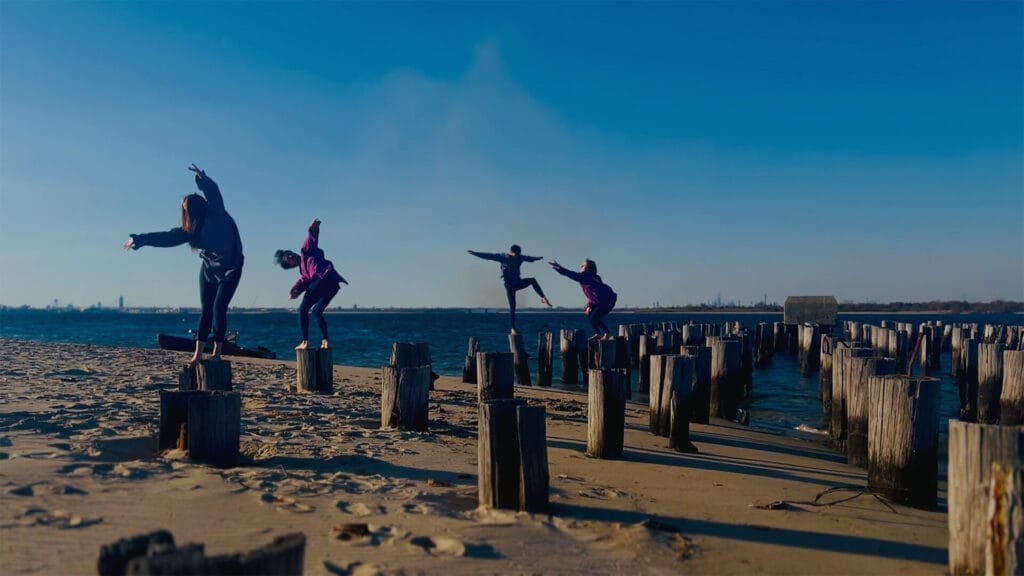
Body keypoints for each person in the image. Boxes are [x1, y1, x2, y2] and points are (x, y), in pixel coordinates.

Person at [124, 164, 244, 365]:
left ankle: (217, 353)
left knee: (218, 309)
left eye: (184, 209)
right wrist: (141, 240)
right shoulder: (190, 231)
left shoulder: (216, 212)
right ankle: (197, 354)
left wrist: (202, 180)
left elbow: (214, 193)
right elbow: (167, 237)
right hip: (209, 268)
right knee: (206, 309)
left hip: (231, 267)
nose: (183, 212)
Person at [274, 218, 348, 350]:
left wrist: (313, 228)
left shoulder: (305, 251)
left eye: (290, 254)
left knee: (303, 309)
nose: (291, 257)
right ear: (290, 266)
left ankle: (305, 341)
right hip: (329, 285)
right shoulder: (303, 271)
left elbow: (311, 238)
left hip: (326, 279)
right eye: (288, 259)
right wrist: (295, 290)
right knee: (316, 312)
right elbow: (304, 280)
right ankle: (324, 341)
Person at [467, 244, 551, 334]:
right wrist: (475, 253)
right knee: (512, 306)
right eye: (515, 256)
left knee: (532, 280)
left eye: (518, 255)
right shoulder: (503, 257)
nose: (517, 258)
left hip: (518, 283)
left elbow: (530, 259)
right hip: (509, 286)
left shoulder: (520, 257)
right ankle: (513, 328)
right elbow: (489, 256)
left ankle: (543, 297)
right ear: (511, 253)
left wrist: (537, 258)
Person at [549, 258, 617, 337]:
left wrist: (559, 268)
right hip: (607, 299)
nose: (580, 266)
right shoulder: (596, 277)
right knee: (590, 314)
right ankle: (599, 333)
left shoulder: (583, 277)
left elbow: (570, 274)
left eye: (583, 265)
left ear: (588, 269)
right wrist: (589, 306)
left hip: (604, 301)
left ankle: (606, 333)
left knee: (594, 317)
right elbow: (594, 295)